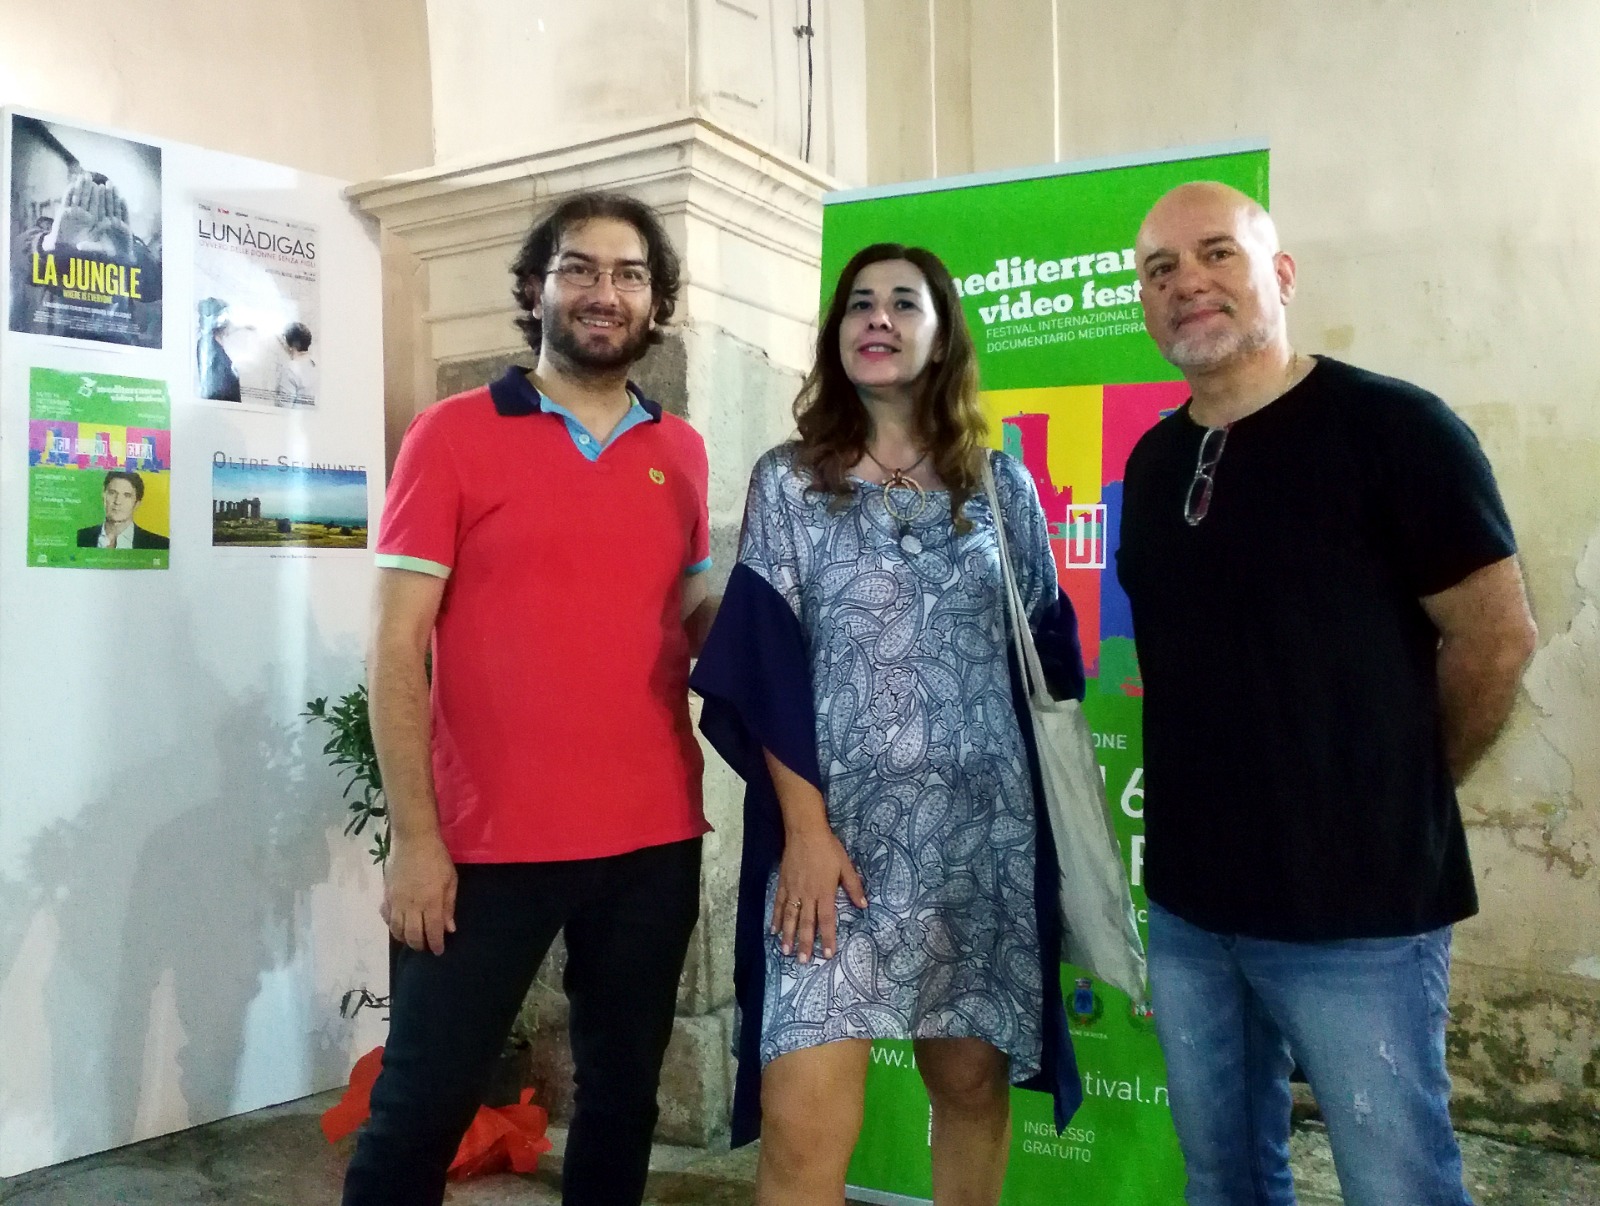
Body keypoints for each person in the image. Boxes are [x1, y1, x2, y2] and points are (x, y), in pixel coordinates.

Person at [1117, 181, 1538, 1206]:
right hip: (1191, 911)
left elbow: (1495, 640)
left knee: (1397, 1185)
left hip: (1359, 915)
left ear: (1282, 275)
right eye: (1160, 269)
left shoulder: (1394, 428)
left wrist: (1397, 791)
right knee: (1223, 1180)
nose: (1186, 282)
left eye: (1216, 253)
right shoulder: (1154, 461)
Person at [343, 191, 718, 1206]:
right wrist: (415, 839)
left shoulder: (679, 451)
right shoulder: (452, 434)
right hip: (484, 847)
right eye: (579, 269)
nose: (605, 292)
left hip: (651, 838)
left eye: (630, 275)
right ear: (535, 288)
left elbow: (690, 615)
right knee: (422, 1106)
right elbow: (395, 648)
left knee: (623, 1102)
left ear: (656, 301)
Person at [691, 243, 1086, 1206]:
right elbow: (765, 668)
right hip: (833, 847)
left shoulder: (1002, 488)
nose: (878, 318)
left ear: (941, 336)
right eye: (859, 304)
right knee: (802, 1124)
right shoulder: (789, 483)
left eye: (904, 304)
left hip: (979, 843)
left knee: (972, 1088)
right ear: (837, 335)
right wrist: (805, 832)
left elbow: (1046, 658)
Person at [76, 470, 168, 549]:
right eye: (112, 493)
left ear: (137, 503)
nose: (118, 501)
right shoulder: (80, 537)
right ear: (103, 496)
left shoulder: (160, 544)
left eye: (127, 495)